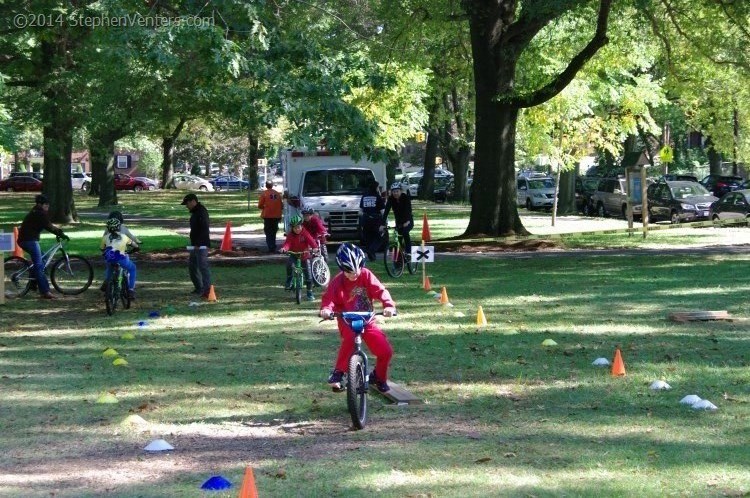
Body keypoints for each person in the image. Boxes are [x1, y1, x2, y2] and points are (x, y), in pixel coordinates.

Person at [319, 243, 397, 392]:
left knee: (385, 351)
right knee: (350, 338)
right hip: (347, 320)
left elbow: (381, 291)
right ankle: (338, 373)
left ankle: (378, 377)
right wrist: (326, 310)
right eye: (349, 272)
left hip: (367, 320)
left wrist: (388, 305)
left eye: (356, 271)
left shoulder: (366, 275)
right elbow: (328, 299)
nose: (354, 275)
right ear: (342, 269)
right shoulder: (338, 281)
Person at [17, 194, 68, 299]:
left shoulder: (35, 211)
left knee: (43, 258)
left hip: (26, 240)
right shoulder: (40, 214)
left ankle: (33, 282)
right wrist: (61, 234)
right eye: (46, 205)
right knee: (39, 266)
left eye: (48, 205)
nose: (47, 207)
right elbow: (49, 226)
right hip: (29, 240)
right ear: (40, 204)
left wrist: (58, 232)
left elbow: (47, 225)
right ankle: (45, 291)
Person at [279, 214, 317, 301]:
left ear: (301, 226)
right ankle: (289, 280)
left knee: (308, 275)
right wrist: (284, 249)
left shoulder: (305, 233)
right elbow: (287, 244)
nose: (297, 229)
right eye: (295, 228)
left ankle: (309, 292)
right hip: (294, 255)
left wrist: (315, 248)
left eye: (299, 227)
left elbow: (311, 241)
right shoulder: (290, 235)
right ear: (292, 228)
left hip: (305, 256)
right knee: (289, 265)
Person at [181, 193, 212, 298]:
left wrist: (199, 243)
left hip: (201, 245)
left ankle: (207, 290)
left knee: (203, 267)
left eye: (187, 203)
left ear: (193, 201)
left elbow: (204, 228)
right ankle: (199, 287)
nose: (186, 206)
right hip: (195, 245)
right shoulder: (195, 212)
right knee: (192, 267)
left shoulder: (201, 212)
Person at [100, 217, 138, 299]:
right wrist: (136, 248)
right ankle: (131, 290)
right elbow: (135, 245)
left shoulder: (105, 237)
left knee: (109, 268)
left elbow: (102, 249)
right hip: (121, 258)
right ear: (119, 227)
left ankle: (107, 284)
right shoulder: (124, 237)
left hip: (109, 258)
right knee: (132, 268)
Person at [381, 182, 414, 260]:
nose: (395, 193)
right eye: (393, 191)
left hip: (408, 221)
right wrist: (382, 224)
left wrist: (408, 221)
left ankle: (409, 253)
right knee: (397, 240)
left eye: (397, 191)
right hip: (399, 222)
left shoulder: (405, 198)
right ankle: (398, 261)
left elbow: (408, 210)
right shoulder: (391, 199)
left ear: (401, 191)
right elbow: (386, 212)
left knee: (405, 233)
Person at [359, 181, 384, 261]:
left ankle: (372, 256)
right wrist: (384, 222)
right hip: (375, 220)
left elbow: (360, 211)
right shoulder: (378, 197)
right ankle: (371, 250)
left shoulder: (364, 196)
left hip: (365, 220)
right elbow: (382, 211)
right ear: (376, 188)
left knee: (368, 238)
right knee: (380, 237)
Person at [258, 181, 284, 253]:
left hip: (268, 216)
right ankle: (273, 245)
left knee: (268, 231)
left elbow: (260, 205)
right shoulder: (277, 194)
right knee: (274, 231)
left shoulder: (264, 194)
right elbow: (281, 206)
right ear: (272, 186)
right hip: (276, 216)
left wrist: (265, 207)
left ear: (266, 186)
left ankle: (271, 247)